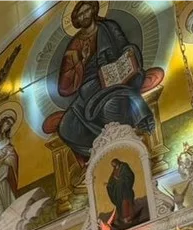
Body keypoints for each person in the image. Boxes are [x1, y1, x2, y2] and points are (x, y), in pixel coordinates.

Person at [56, 0, 154, 162]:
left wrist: (129, 52)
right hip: (89, 86)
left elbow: (123, 46)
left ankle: (126, 152)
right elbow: (64, 82)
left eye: (86, 11)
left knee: (113, 104)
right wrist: (82, 61)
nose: (84, 15)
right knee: (66, 126)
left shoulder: (109, 27)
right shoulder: (75, 44)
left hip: (114, 76)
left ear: (94, 10)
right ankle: (97, 156)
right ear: (76, 21)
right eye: (80, 15)